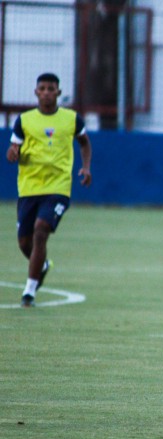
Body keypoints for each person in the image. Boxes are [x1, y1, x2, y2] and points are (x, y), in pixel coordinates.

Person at [6, 73, 92, 307]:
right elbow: (14, 149)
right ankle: (42, 265)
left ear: (58, 92)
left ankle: (29, 292)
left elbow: (84, 142)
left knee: (41, 230)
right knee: (25, 243)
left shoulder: (72, 119)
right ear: (36, 92)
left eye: (50, 88)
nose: (46, 92)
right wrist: (13, 154)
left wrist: (85, 168)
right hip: (29, 188)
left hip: (58, 187)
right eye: (42, 88)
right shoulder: (24, 120)